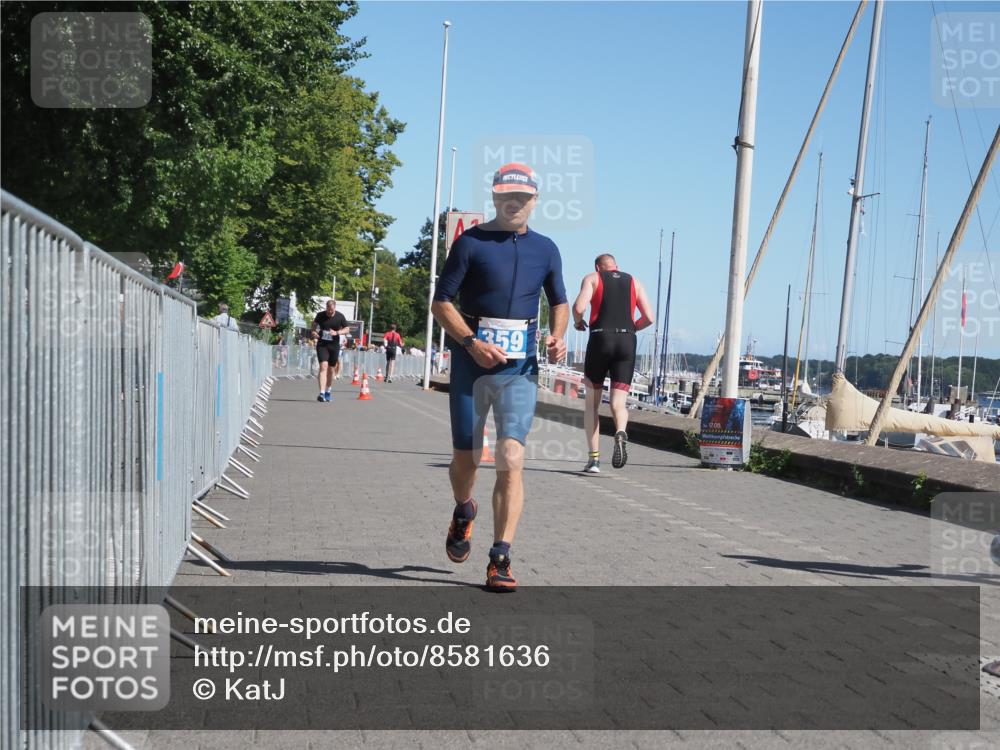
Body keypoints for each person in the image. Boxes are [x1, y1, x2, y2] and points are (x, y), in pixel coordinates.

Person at [432, 162, 568, 592]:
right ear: (494, 197)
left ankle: (500, 557)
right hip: (471, 367)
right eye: (507, 195)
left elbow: (559, 301)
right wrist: (471, 343)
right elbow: (441, 303)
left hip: (519, 371)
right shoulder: (470, 243)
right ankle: (463, 508)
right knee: (466, 460)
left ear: (535, 200)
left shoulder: (546, 249)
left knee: (511, 458)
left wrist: (558, 336)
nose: (514, 203)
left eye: (523, 197)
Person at [572, 254, 654, 473]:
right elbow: (649, 317)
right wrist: (631, 328)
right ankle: (620, 431)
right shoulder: (635, 282)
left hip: (600, 338)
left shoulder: (593, 278)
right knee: (619, 403)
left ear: (598, 267)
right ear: (616, 266)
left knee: (592, 404)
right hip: (626, 340)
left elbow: (579, 308)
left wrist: (578, 322)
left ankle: (594, 460)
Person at [311, 299, 349, 402]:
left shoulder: (340, 316)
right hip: (322, 344)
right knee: (323, 366)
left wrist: (337, 333)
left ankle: (328, 390)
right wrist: (313, 332)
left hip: (334, 345)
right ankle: (322, 393)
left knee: (331, 369)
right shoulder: (320, 315)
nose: (330, 312)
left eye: (332, 310)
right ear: (326, 307)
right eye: (328, 310)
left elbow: (347, 329)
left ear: (334, 308)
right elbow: (314, 325)